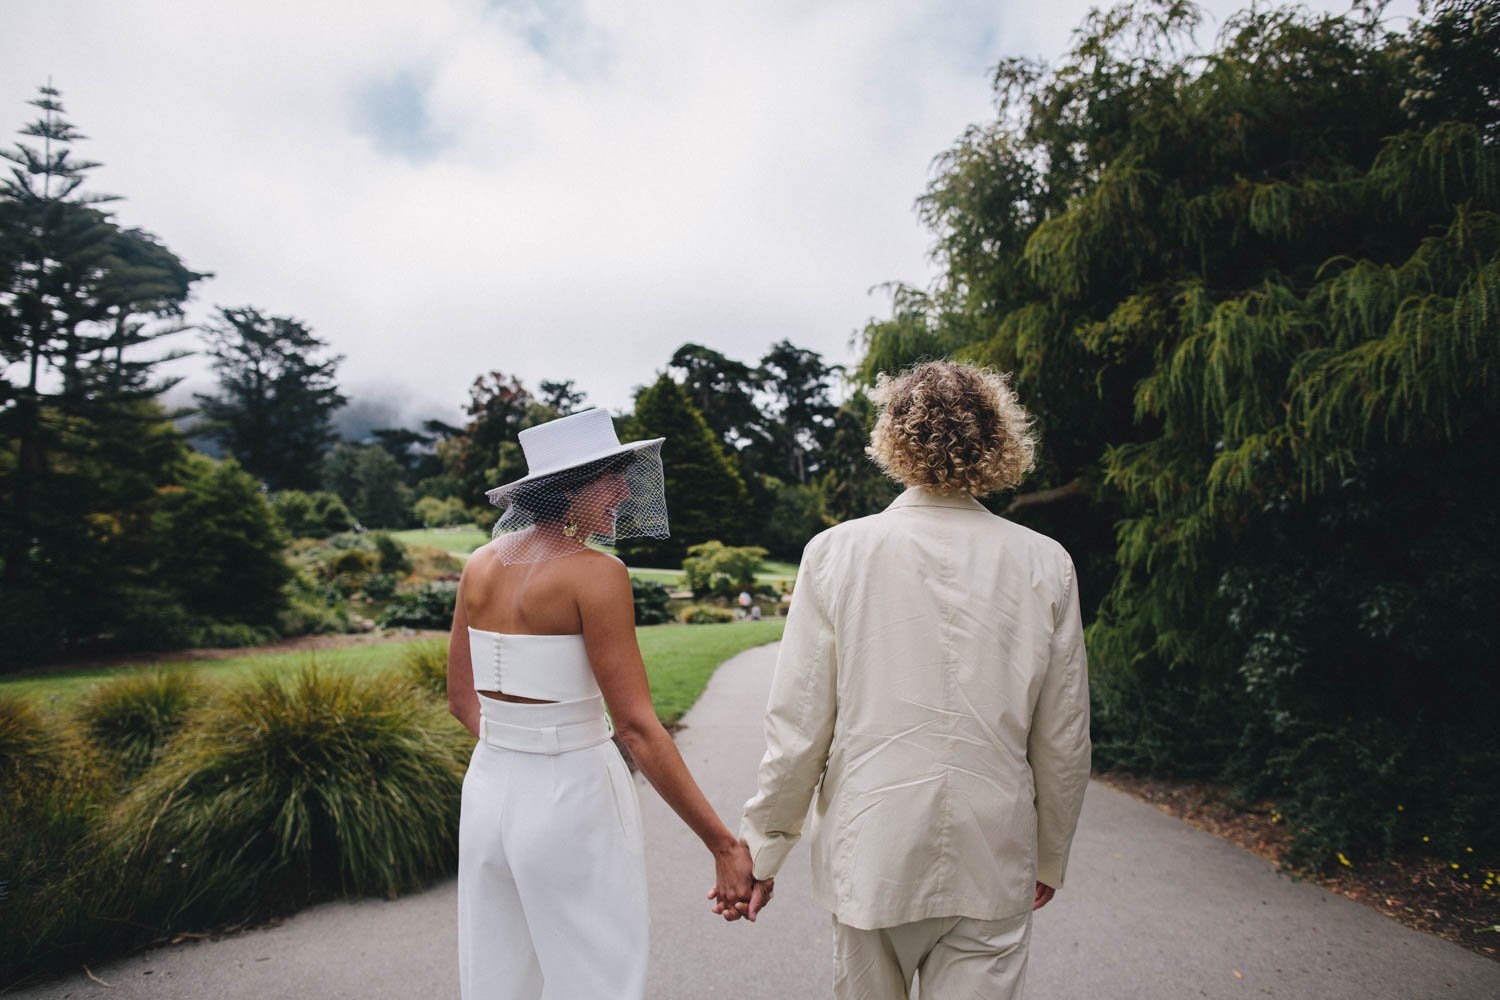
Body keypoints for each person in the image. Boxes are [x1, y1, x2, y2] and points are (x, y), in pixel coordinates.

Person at [725, 360, 1092, 999]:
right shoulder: (1045, 563)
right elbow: (1064, 739)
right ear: (998, 439)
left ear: (893, 438)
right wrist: (1049, 853)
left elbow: (799, 725)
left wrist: (760, 850)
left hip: (872, 850)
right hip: (992, 849)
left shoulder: (835, 554)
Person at [447, 407, 757, 1000]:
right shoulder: (597, 574)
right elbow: (638, 728)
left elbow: (462, 699)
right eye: (608, 476)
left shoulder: (478, 567)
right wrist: (723, 844)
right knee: (598, 976)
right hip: (573, 798)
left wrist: (517, 745)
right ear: (565, 490)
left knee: (498, 977)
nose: (622, 490)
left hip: (487, 796)